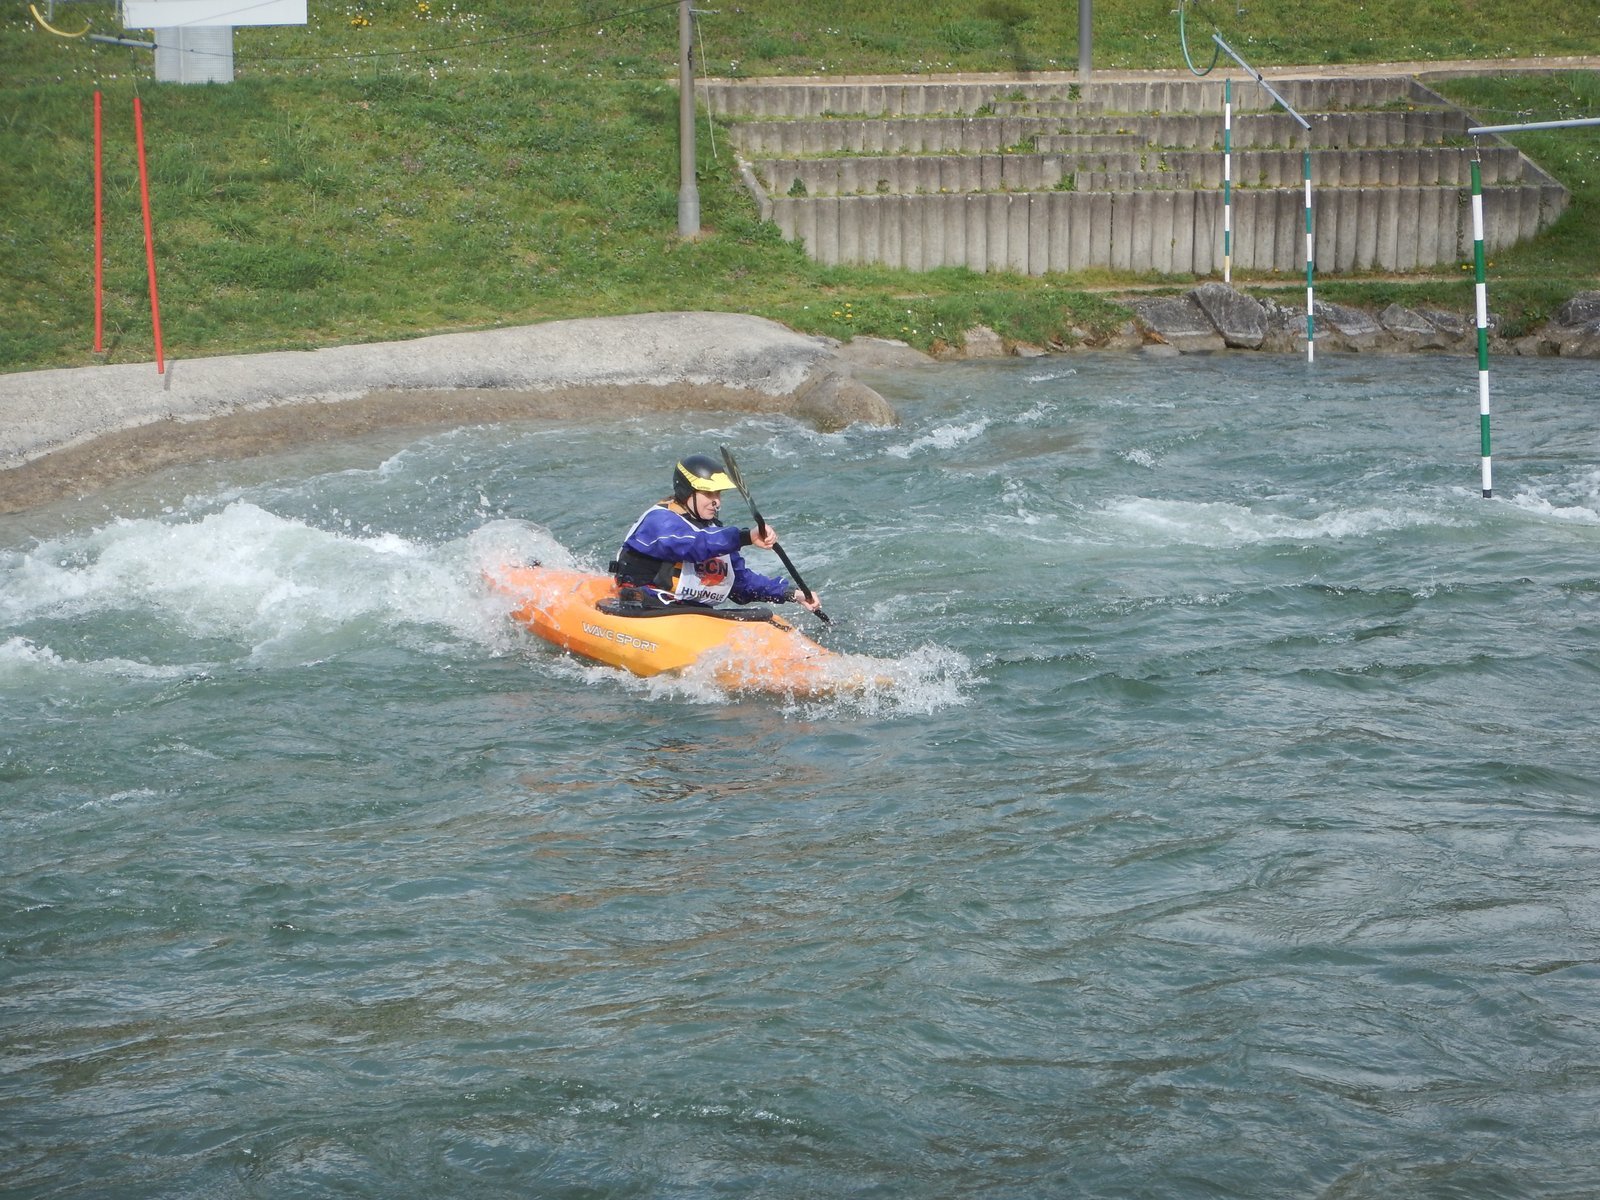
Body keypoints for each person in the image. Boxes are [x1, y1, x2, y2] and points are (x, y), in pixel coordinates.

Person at [611, 453, 823, 613]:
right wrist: (744, 537)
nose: (717, 501)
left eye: (718, 493)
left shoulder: (714, 533)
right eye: (708, 493)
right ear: (686, 491)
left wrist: (790, 594)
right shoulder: (658, 521)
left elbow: (739, 584)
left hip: (690, 615)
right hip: (646, 608)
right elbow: (692, 546)